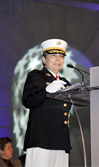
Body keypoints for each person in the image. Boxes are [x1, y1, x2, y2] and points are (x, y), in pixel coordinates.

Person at [22, 39, 72, 167]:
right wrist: (45, 90)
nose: (58, 59)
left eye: (61, 56)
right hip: (41, 139)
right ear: (44, 59)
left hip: (61, 141)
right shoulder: (36, 76)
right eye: (53, 55)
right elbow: (27, 101)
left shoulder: (65, 82)